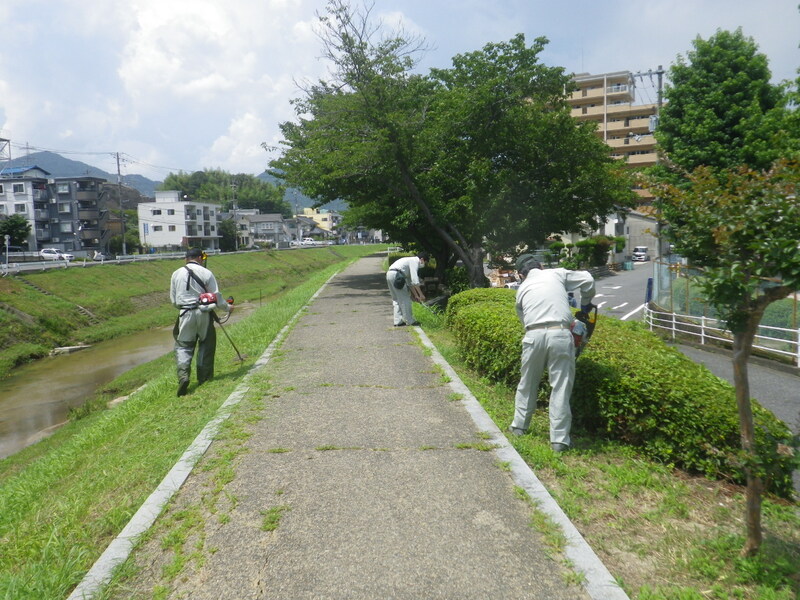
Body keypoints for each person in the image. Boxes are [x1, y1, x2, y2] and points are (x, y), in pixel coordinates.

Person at [508, 253, 595, 452]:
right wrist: (585, 305)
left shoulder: (521, 290)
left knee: (527, 383)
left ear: (521, 275)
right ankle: (559, 440)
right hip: (560, 333)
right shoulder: (557, 274)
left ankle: (519, 426)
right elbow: (588, 279)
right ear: (541, 265)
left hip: (533, 334)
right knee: (560, 386)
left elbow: (524, 320)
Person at [169, 248, 231, 396]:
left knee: (184, 346)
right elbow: (216, 296)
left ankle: (183, 376)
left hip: (184, 313)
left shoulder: (176, 274)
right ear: (199, 258)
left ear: (186, 259)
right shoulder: (206, 272)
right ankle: (204, 378)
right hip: (204, 313)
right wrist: (228, 307)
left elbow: (173, 300)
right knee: (206, 344)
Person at [386, 251, 429, 326]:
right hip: (397, 276)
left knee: (396, 299)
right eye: (425, 262)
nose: (424, 264)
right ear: (422, 259)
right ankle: (410, 321)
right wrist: (421, 295)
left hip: (390, 274)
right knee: (405, 299)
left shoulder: (409, 260)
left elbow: (410, 283)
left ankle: (397, 321)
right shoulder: (414, 261)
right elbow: (415, 281)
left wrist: (416, 295)